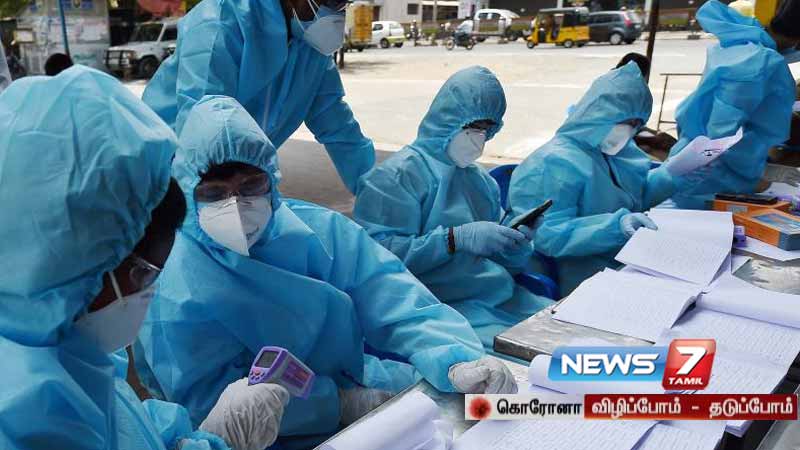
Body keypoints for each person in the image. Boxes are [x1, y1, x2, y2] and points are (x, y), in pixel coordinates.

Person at [135, 95, 517, 447]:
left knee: (489, 417)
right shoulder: (174, 282)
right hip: (264, 434)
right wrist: (336, 405)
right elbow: (209, 399)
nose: (237, 206)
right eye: (214, 193)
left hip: (360, 381)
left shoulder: (318, 230)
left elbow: (395, 296)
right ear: (187, 189)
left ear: (272, 179)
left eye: (251, 186)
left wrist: (456, 358)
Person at [0, 66, 288, 450]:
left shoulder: (59, 340)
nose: (147, 295)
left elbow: (123, 421)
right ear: (75, 261)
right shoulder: (27, 420)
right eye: (144, 275)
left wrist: (200, 441)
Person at [353, 66, 553, 350]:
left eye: (486, 129)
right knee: (538, 361)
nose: (479, 138)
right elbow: (378, 259)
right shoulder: (394, 178)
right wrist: (452, 240)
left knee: (568, 334)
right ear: (446, 119)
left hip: (498, 298)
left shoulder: (480, 181)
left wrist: (514, 244)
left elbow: (504, 263)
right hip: (432, 310)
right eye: (473, 127)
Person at [507, 63, 715, 296]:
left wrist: (672, 176)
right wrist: (615, 227)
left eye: (637, 124)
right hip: (581, 269)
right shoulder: (553, 163)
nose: (630, 131)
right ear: (598, 114)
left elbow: (636, 196)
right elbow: (548, 235)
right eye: (626, 122)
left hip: (627, 254)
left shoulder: (619, 151)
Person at [142, 0, 374, 194]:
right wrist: (209, 201)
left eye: (344, 3)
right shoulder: (220, 21)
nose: (337, 12)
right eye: (331, 1)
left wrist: (378, 192)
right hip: (162, 174)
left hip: (234, 178)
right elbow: (202, 131)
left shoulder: (312, 49)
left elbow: (340, 129)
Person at [667, 0, 797, 209]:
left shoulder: (744, 43)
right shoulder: (758, 62)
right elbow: (720, 136)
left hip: (706, 168)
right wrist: (757, 178)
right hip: (707, 178)